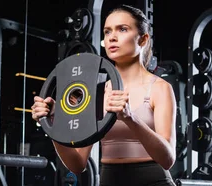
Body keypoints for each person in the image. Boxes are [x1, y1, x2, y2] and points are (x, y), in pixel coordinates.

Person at [31, 4, 177, 186]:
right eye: (107, 32)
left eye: (122, 29)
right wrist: (51, 124)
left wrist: (130, 118)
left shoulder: (159, 88)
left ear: (142, 40)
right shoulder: (96, 92)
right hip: (109, 179)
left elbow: (168, 159)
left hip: (153, 180)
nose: (112, 38)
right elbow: (77, 164)